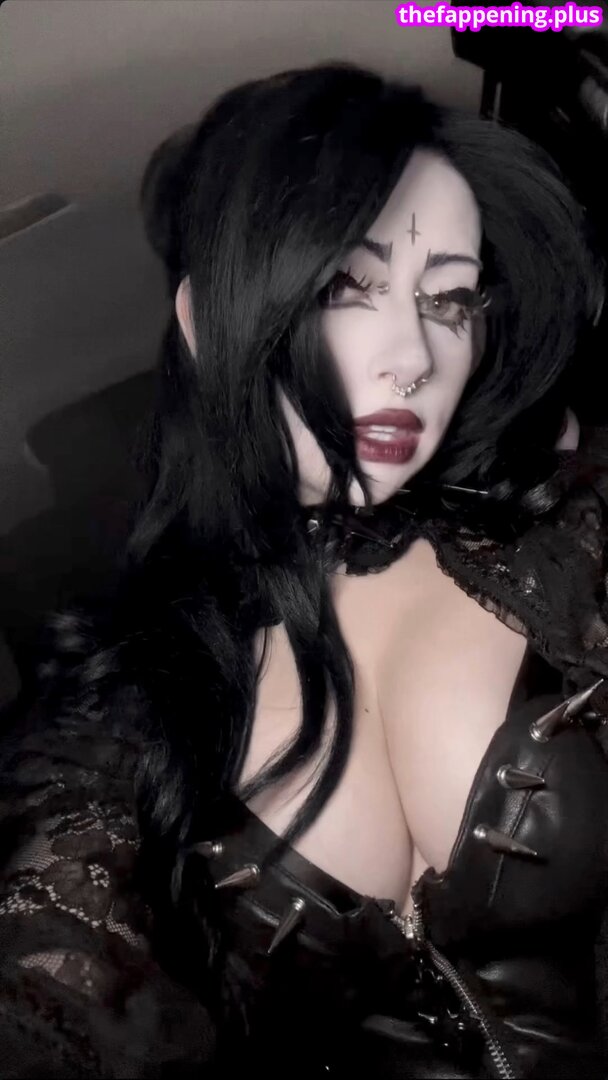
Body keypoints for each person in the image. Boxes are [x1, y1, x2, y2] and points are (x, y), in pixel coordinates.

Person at [1, 61, 607, 1079]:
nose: (413, 357)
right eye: (346, 285)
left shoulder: (566, 530)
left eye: (450, 299)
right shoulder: (122, 711)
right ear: (208, 323)